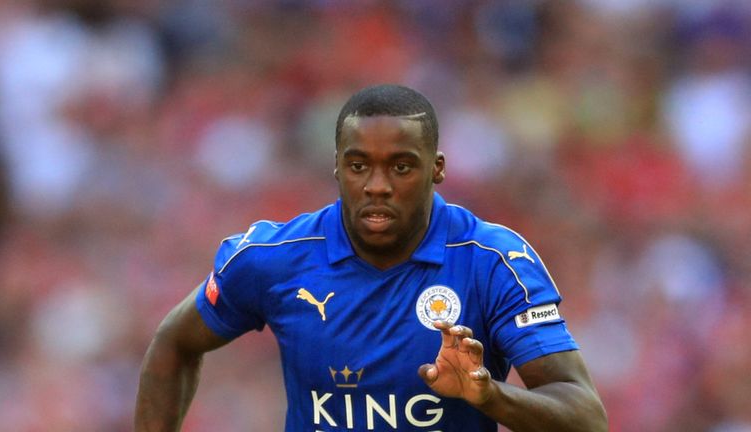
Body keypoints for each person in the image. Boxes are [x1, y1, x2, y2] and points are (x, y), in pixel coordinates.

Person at [135, 84, 607, 431]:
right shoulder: (273, 259)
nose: (377, 186)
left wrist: (489, 395)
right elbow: (173, 345)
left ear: (436, 168)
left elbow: (586, 416)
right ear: (336, 165)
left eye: (401, 167)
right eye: (359, 165)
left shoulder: (493, 263)